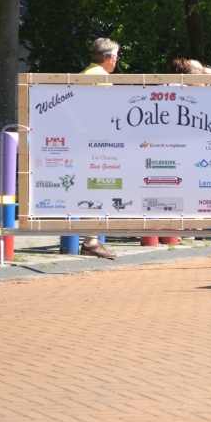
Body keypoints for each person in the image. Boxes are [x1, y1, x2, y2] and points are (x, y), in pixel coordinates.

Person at [79, 37, 120, 259]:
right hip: (96, 141)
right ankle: (91, 240)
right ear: (110, 58)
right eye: (117, 56)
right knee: (99, 189)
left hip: (84, 140)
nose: (117, 60)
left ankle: (90, 238)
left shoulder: (86, 73)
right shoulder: (101, 77)